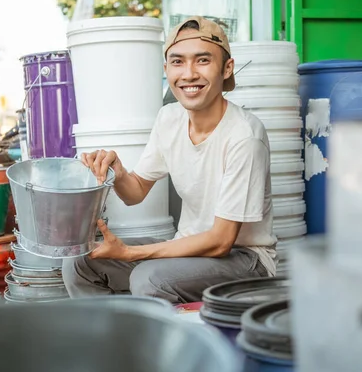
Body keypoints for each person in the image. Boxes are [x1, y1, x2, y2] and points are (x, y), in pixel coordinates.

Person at [62, 16, 277, 304]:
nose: (188, 74)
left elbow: (221, 241)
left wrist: (129, 253)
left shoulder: (244, 136)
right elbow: (135, 192)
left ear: (227, 69)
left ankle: (168, 345)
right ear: (166, 69)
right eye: (177, 62)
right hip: (187, 249)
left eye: (202, 61)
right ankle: (112, 339)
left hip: (246, 259)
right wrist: (118, 171)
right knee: (80, 263)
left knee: (149, 277)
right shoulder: (170, 118)